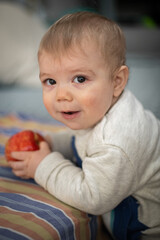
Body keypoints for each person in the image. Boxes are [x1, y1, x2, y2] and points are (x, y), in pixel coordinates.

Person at [9, 11, 160, 240]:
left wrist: (43, 165)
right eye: (50, 81)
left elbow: (92, 196)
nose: (61, 95)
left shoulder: (116, 141)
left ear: (117, 81)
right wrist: (52, 143)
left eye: (79, 79)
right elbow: (83, 139)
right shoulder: (101, 109)